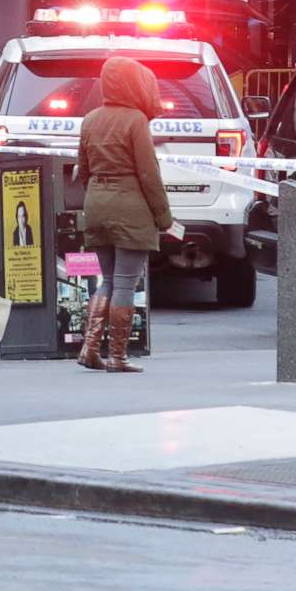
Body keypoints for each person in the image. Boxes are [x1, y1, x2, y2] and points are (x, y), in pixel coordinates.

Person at [77, 55, 177, 374]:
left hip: (96, 204)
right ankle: (118, 356)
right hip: (129, 207)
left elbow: (83, 168)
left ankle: (90, 349)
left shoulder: (90, 118)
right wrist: (164, 218)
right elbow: (149, 174)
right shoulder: (135, 120)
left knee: (107, 280)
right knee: (124, 283)